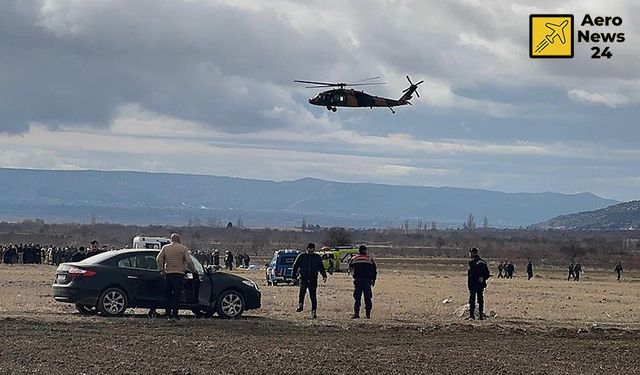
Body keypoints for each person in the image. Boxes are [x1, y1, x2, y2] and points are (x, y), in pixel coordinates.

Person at [156, 233, 197, 319]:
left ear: (171, 239)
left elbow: (159, 259)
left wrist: (162, 270)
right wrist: (194, 271)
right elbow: (189, 261)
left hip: (169, 274)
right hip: (179, 275)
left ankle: (167, 313)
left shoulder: (165, 248)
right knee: (177, 295)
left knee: (167, 295)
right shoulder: (183, 248)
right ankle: (175, 314)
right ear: (179, 239)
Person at [292, 243, 327, 319]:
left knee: (313, 295)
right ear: (307, 249)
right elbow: (295, 266)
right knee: (302, 291)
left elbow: (321, 267)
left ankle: (314, 311)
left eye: (312, 250)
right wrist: (293, 277)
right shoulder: (301, 256)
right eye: (309, 250)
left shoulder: (317, 257)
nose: (311, 251)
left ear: (314, 249)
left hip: (313, 279)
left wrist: (324, 275)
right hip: (303, 278)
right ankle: (300, 305)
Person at [348, 245, 377, 319]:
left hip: (358, 280)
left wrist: (353, 276)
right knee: (367, 298)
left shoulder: (354, 258)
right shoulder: (369, 259)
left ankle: (356, 314)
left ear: (359, 250)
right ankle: (368, 314)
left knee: (357, 297)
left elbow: (350, 268)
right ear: (365, 250)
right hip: (367, 280)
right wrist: (373, 280)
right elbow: (374, 270)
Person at [467, 247, 491, 320]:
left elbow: (471, 274)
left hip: (474, 284)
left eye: (471, 253)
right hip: (480, 284)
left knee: (472, 300)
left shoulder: (472, 262)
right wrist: (482, 279)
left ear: (474, 253)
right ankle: (480, 315)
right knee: (480, 299)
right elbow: (487, 274)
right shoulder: (483, 262)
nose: (470, 254)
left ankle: (472, 315)